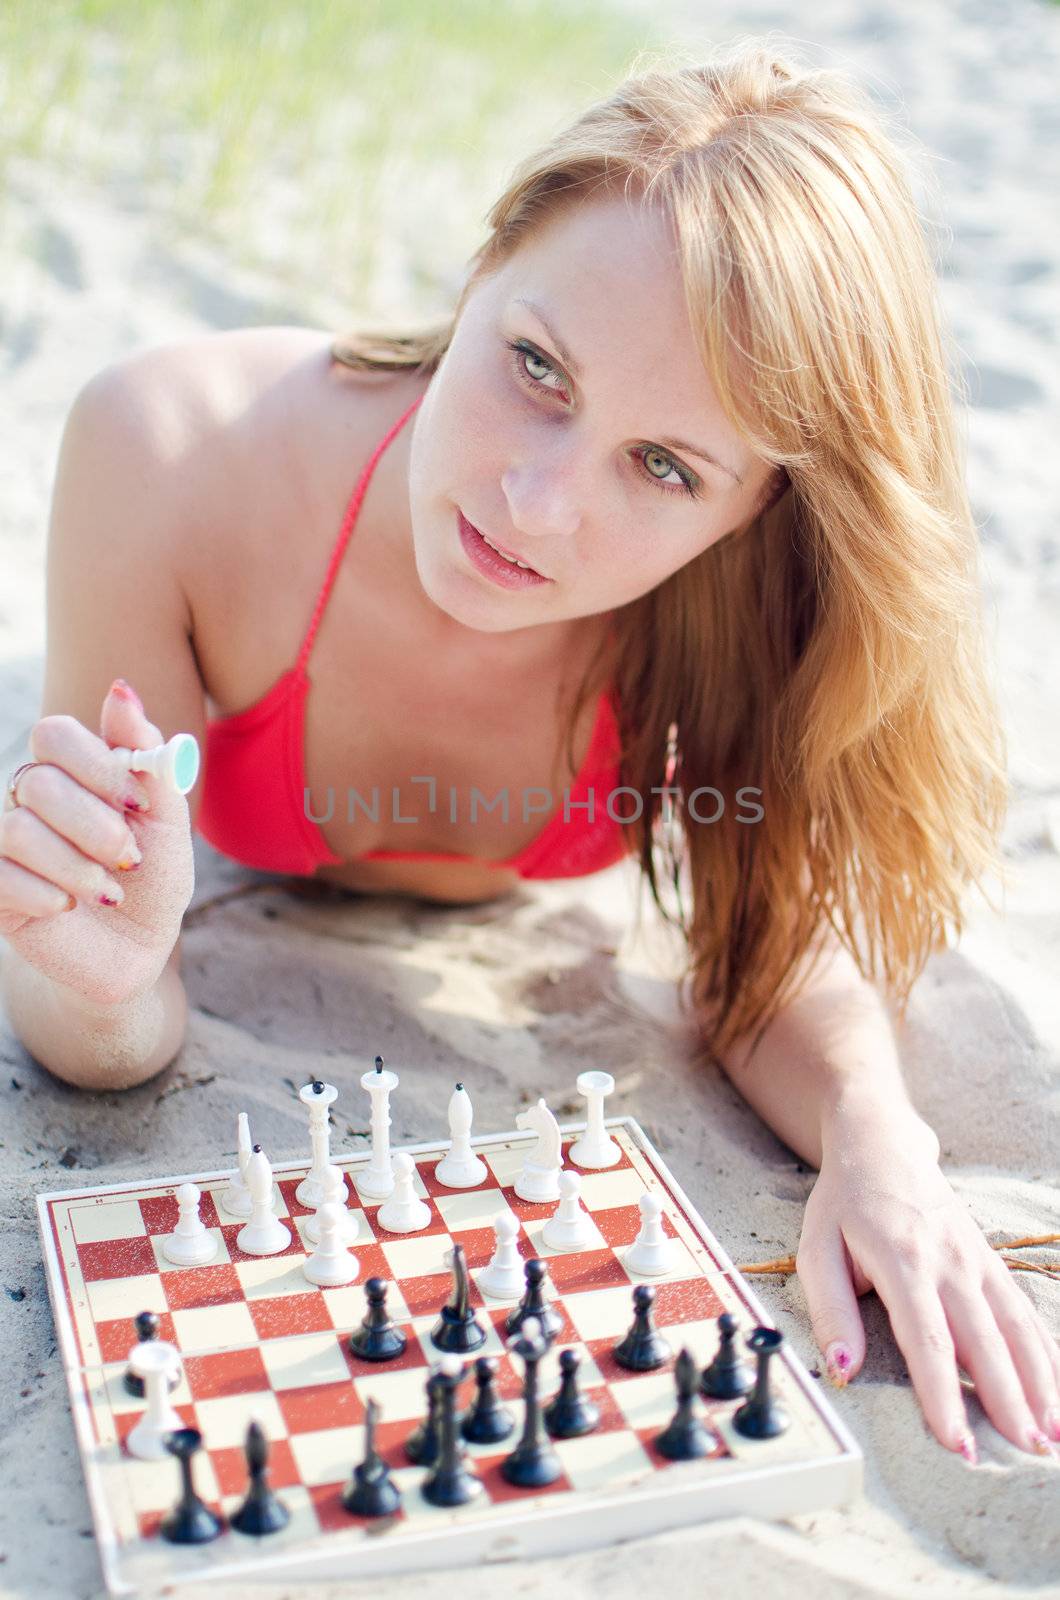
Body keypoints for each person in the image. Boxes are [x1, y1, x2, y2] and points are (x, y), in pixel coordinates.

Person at [1, 40, 1056, 1467]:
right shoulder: (168, 454)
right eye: (538, 367)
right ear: (483, 264)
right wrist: (104, 982)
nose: (540, 506)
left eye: (666, 465)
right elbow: (109, 1010)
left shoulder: (734, 614)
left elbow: (767, 954)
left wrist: (879, 1138)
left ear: (749, 511)